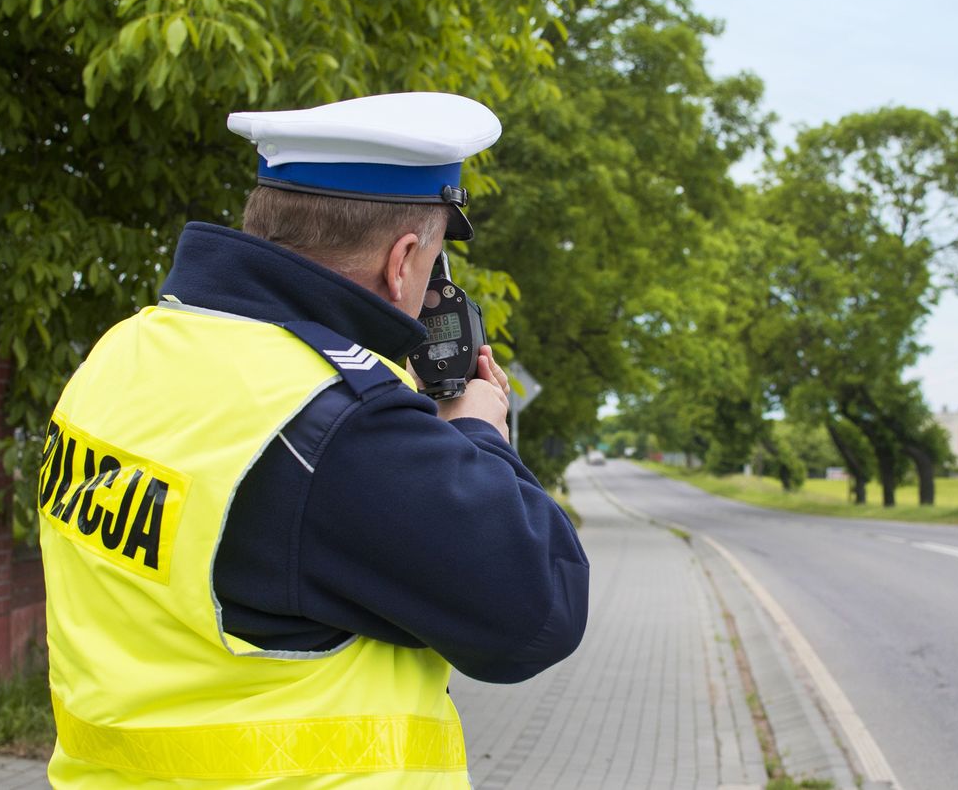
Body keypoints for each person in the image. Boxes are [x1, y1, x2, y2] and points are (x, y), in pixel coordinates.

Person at [36, 92, 589, 788]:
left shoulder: (126, 351)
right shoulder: (337, 423)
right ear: (403, 259)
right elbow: (538, 610)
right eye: (435, 261)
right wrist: (477, 430)